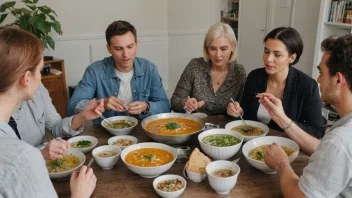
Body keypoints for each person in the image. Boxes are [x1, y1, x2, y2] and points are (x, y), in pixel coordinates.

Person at [0, 27, 96, 198]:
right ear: (26, 78)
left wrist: (82, 117)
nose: (41, 78)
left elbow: (56, 126)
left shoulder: (38, 93)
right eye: (40, 70)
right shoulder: (22, 158)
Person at [261, 34, 352, 197]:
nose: (318, 79)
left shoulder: (340, 141)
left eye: (321, 73)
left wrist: (281, 164)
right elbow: (327, 151)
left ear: (338, 80)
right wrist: (281, 118)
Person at [227, 27, 325, 138]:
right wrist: (238, 113)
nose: (268, 59)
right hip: (253, 143)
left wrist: (283, 119)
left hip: (286, 148)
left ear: (292, 58)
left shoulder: (307, 86)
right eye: (266, 51)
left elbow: (317, 131)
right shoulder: (254, 77)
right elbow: (246, 116)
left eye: (277, 55)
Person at [68, 20, 170, 123]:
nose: (125, 54)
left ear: (136, 45)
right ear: (109, 49)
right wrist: (102, 103)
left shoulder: (149, 69)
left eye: (130, 47)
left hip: (141, 130)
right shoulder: (94, 71)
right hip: (103, 132)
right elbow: (72, 107)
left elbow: (165, 106)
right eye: (118, 48)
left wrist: (146, 107)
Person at [171, 22, 246, 116]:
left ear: (233, 47)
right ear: (207, 48)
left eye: (223, 49)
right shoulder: (194, 66)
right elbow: (174, 101)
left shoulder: (239, 72)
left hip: (225, 128)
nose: (218, 55)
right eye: (213, 49)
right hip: (197, 126)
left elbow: (243, 108)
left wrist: (238, 112)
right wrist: (185, 103)